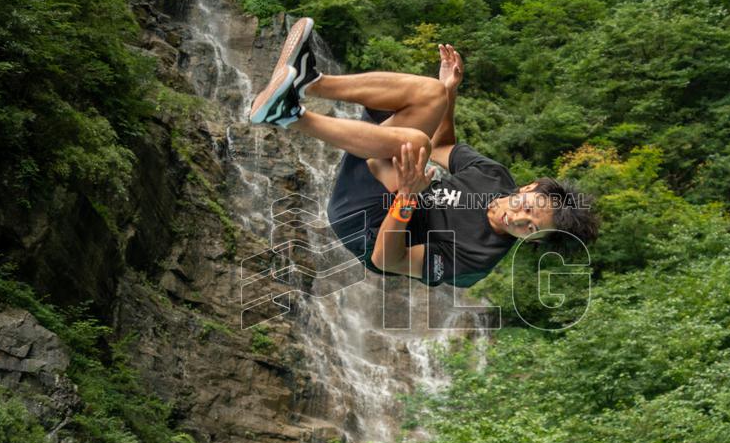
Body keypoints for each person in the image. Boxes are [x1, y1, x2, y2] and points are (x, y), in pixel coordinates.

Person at [249, 17, 598, 288]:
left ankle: (291, 116)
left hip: (365, 223)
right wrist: (450, 92)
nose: (518, 219)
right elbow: (444, 145)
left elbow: (387, 260)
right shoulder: (494, 177)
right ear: (527, 187)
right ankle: (310, 81)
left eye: (528, 229)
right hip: (384, 170)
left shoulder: (477, 260)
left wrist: (405, 199)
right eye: (526, 208)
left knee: (416, 145)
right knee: (432, 93)